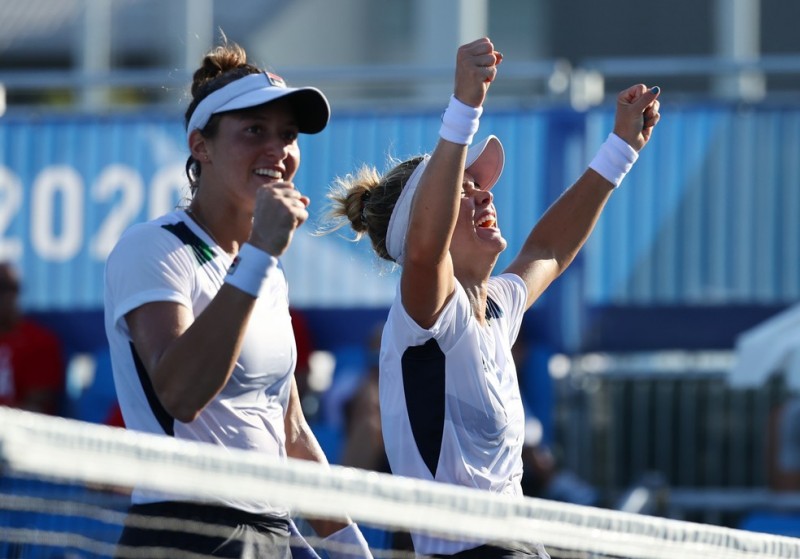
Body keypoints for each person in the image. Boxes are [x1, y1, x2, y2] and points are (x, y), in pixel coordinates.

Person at [322, 37, 660, 558]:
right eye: (463, 188)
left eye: (479, 184)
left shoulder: (496, 307)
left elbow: (548, 247)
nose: (484, 193)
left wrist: (621, 149)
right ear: (423, 228)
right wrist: (464, 107)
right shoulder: (424, 310)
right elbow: (423, 254)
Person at [103, 39, 371, 559]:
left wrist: (348, 543)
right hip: (183, 532)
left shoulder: (265, 271)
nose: (279, 151)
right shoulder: (152, 247)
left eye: (288, 135)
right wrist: (260, 255)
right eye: (255, 131)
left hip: (267, 532)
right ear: (200, 146)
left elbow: (290, 430)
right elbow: (179, 393)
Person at [0, 261, 65, 416]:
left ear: (14, 293)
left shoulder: (38, 342)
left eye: (2, 288)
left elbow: (37, 408)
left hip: (17, 436)